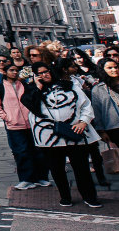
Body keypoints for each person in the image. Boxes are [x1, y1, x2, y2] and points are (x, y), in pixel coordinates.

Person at [24, 63, 102, 208]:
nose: (44, 75)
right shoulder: (31, 90)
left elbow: (86, 105)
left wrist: (83, 122)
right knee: (56, 169)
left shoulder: (69, 86)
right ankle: (65, 196)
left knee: (82, 168)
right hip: (49, 137)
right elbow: (31, 106)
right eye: (39, 73)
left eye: (46, 71)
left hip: (74, 132)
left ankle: (89, 196)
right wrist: (37, 88)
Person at [0, 64, 49, 190]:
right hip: (14, 126)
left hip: (31, 124)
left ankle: (41, 178)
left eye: (16, 70)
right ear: (5, 72)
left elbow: (33, 99)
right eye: (11, 70)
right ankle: (26, 179)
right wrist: (7, 117)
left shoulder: (24, 85)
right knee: (22, 152)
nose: (15, 72)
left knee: (38, 151)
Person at [87, 58, 119, 202]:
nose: (114, 70)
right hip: (115, 128)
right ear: (103, 70)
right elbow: (97, 111)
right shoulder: (99, 89)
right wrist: (101, 130)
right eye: (109, 68)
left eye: (115, 67)